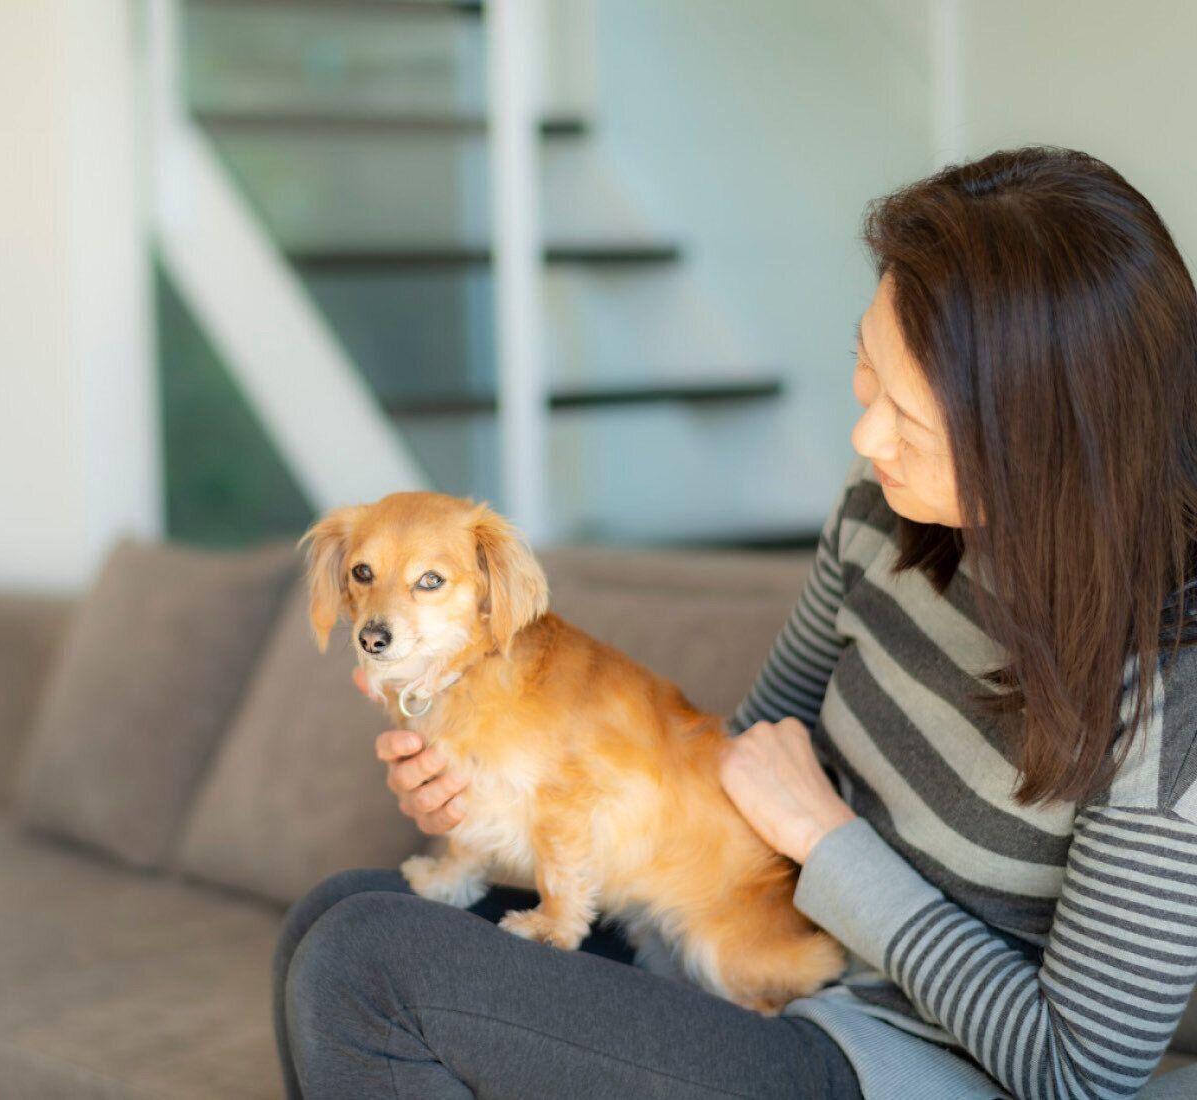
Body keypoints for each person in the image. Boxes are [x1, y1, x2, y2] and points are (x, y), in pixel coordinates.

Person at [272, 146, 1197, 1099]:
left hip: (899, 1063)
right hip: (753, 956)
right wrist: (499, 778)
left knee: (364, 965)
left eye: (912, 420)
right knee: (338, 914)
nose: (866, 437)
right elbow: (750, 755)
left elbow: (1079, 1073)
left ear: (1046, 441)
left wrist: (830, 844)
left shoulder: (1172, 711)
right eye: (867, 369)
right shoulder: (889, 510)